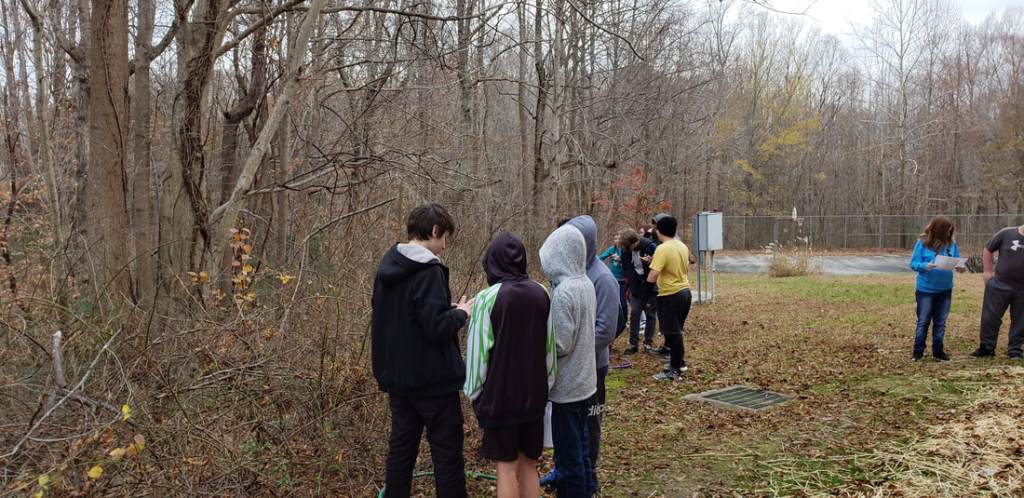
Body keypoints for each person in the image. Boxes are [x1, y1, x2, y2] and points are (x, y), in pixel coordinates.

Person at [371, 203, 474, 498]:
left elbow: (397, 317)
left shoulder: (387, 267)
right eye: (444, 239)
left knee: (401, 451)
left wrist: (445, 309)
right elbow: (436, 328)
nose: (443, 247)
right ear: (434, 231)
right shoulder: (428, 271)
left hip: (399, 380)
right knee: (447, 454)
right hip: (433, 383)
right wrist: (461, 314)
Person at [464, 233, 556, 498]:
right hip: (535, 394)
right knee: (529, 463)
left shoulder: (487, 298)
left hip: (500, 397)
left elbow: (478, 353)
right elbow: (549, 347)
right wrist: (546, 387)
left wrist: (474, 393)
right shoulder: (542, 293)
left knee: (505, 467)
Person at [539, 224, 597, 498]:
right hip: (586, 383)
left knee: (568, 457)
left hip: (568, 388)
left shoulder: (564, 293)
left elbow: (561, 344)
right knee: (582, 451)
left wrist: (538, 338)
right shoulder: (585, 283)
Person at [564, 215, 619, 493]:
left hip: (594, 366)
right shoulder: (571, 272)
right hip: (571, 368)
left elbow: (606, 330)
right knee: (571, 426)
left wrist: (574, 350)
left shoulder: (603, 279)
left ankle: (590, 476)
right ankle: (569, 471)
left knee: (591, 422)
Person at [908, 216, 964, 361]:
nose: (948, 234)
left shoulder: (952, 244)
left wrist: (960, 267)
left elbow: (957, 261)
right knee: (923, 321)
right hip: (926, 289)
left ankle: (938, 351)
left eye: (950, 232)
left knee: (940, 322)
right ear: (938, 230)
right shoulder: (922, 243)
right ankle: (918, 352)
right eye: (946, 231)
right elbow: (913, 263)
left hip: (945, 289)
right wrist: (924, 266)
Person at [647, 215, 693, 381]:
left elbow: (653, 274)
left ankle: (676, 368)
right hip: (685, 292)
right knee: (676, 331)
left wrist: (649, 282)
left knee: (672, 332)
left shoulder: (663, 248)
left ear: (659, 230)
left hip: (670, 294)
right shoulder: (681, 246)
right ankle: (678, 363)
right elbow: (684, 267)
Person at [970, 223, 1024, 360]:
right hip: (1000, 285)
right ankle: (987, 348)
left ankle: (1015, 350)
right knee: (990, 318)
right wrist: (987, 271)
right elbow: (988, 249)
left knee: (1021, 320)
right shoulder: (1006, 233)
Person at [619, 228, 659, 354]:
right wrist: (631, 286)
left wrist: (650, 262)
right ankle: (633, 344)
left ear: (636, 241)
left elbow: (658, 266)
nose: (631, 249)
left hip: (651, 286)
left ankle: (648, 343)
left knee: (650, 314)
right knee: (635, 313)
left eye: (632, 246)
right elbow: (626, 269)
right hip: (636, 287)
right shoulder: (625, 251)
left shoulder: (650, 246)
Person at [599, 235, 628, 338]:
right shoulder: (612, 249)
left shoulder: (625, 250)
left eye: (619, 238)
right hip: (613, 280)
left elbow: (630, 263)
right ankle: (614, 324)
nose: (617, 240)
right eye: (615, 238)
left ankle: (623, 322)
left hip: (624, 281)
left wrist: (621, 259)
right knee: (614, 303)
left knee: (623, 304)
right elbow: (600, 258)